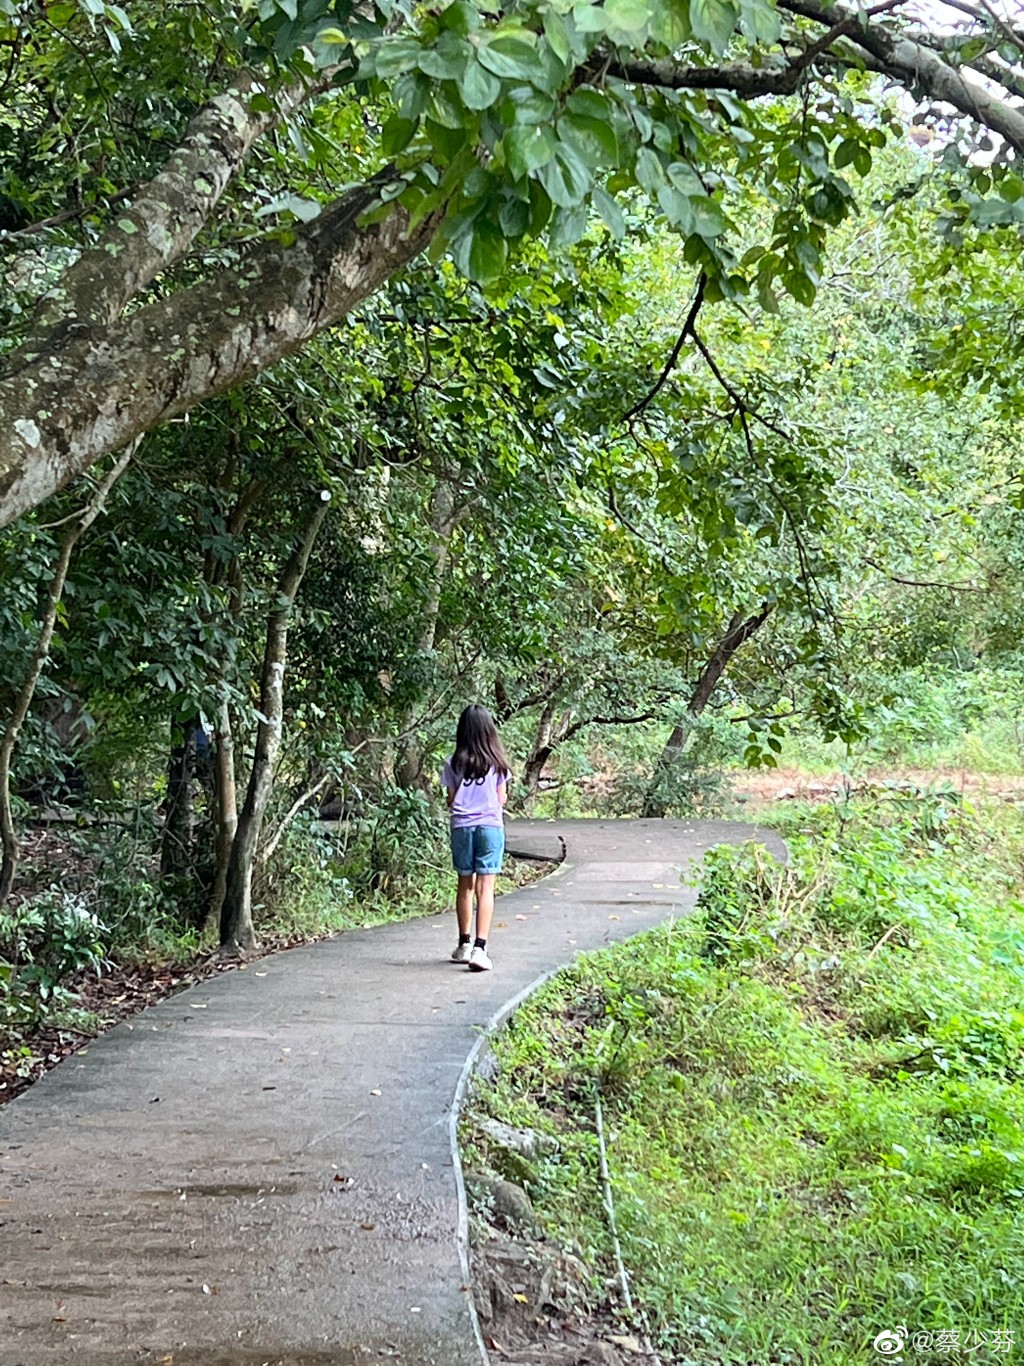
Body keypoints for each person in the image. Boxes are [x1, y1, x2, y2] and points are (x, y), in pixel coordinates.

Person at [441, 704, 511, 972]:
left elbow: (450, 799)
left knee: (465, 885)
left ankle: (464, 944)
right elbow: (502, 798)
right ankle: (481, 949)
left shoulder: (453, 763)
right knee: (486, 887)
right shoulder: (498, 764)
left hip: (462, 827)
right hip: (490, 827)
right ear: (489, 731)